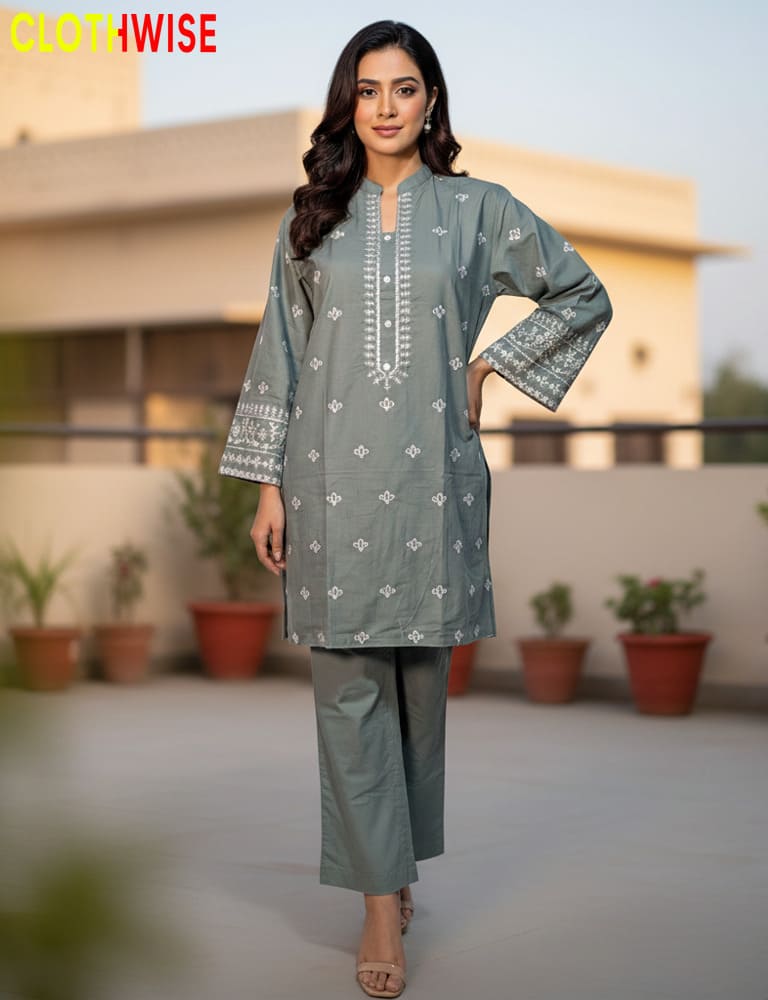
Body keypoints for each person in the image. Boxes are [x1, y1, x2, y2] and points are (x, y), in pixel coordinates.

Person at [218, 19, 613, 998]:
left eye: (403, 88)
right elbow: (280, 349)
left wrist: (490, 365)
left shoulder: (480, 211)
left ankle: (392, 867)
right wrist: (267, 485)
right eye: (367, 90)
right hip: (328, 481)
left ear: (431, 99)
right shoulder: (312, 217)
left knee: (417, 694)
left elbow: (581, 293)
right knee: (348, 688)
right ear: (347, 104)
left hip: (434, 480)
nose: (385, 107)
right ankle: (376, 904)